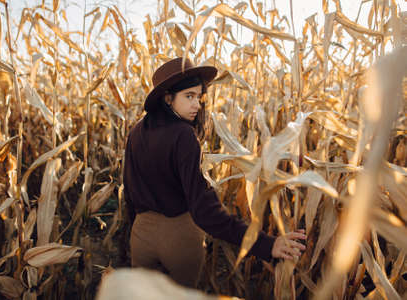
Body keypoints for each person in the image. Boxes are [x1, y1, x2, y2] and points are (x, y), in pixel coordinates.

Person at [123, 57, 306, 288]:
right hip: (180, 239)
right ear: (168, 98)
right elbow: (205, 212)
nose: (197, 105)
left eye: (198, 97)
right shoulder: (183, 135)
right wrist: (266, 244)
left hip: (141, 237)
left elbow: (128, 192)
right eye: (189, 96)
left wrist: (136, 231)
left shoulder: (136, 132)